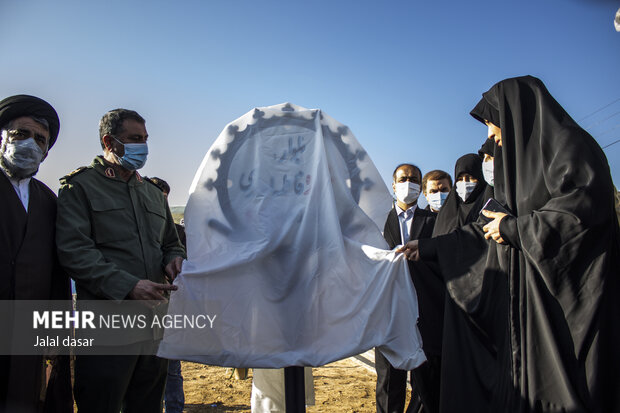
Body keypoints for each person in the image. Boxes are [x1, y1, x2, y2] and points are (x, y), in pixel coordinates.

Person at [400, 75, 620, 412]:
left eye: (492, 124)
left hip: (567, 312)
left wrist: (517, 230)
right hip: (525, 314)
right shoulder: (516, 170)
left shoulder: (572, 149)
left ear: (518, 114)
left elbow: (580, 218)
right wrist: (428, 248)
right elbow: (488, 228)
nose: (490, 136)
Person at [56, 109, 186, 413]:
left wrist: (174, 259)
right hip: (108, 330)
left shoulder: (153, 193)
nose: (143, 147)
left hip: (155, 329)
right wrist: (128, 286)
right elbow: (74, 251)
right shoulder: (80, 187)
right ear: (109, 141)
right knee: (101, 403)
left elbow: (171, 242)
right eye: (134, 139)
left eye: (145, 139)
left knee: (147, 405)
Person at [0, 95, 72, 413]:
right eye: (21, 134)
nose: (31, 144)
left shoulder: (48, 201)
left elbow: (58, 273)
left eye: (40, 140)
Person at [376, 163, 441, 413]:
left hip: (423, 307)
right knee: (389, 380)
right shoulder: (378, 220)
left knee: (424, 381)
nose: (408, 184)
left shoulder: (434, 220)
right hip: (388, 310)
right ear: (393, 185)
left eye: (414, 179)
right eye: (403, 179)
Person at [148, 176, 185, 413]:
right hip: (141, 307)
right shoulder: (137, 233)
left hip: (171, 309)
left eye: (164, 201)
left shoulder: (178, 234)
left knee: (171, 367)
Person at [431, 153, 487, 237]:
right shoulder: (447, 212)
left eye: (470, 178)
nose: (465, 183)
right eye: (460, 179)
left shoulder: (488, 207)